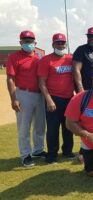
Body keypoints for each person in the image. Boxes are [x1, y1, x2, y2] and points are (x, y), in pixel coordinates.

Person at [6, 30, 46, 167]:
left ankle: (38, 150)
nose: (28, 43)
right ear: (20, 42)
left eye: (30, 41)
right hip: (24, 94)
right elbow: (10, 79)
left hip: (40, 95)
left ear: (35, 42)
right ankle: (25, 155)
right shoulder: (14, 57)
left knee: (40, 125)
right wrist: (13, 99)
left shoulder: (39, 57)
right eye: (25, 41)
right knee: (24, 127)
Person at [38, 33, 75, 164]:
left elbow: (76, 77)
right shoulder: (46, 60)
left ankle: (67, 151)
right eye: (57, 43)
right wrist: (48, 100)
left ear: (66, 44)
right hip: (54, 98)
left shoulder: (71, 58)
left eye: (62, 43)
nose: (60, 45)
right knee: (53, 128)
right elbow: (41, 82)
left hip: (69, 98)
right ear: (53, 44)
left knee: (68, 127)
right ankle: (52, 155)